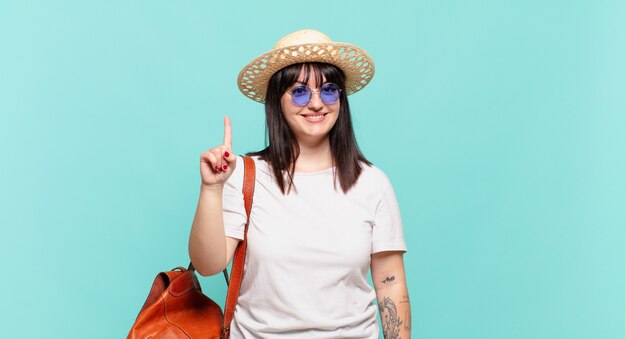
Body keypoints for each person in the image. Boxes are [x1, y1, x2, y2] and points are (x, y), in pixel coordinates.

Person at [189, 29, 411, 338]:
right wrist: (212, 189)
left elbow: (391, 281)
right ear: (276, 101)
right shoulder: (244, 175)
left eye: (329, 90)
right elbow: (208, 264)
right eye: (300, 91)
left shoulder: (372, 183)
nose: (317, 103)